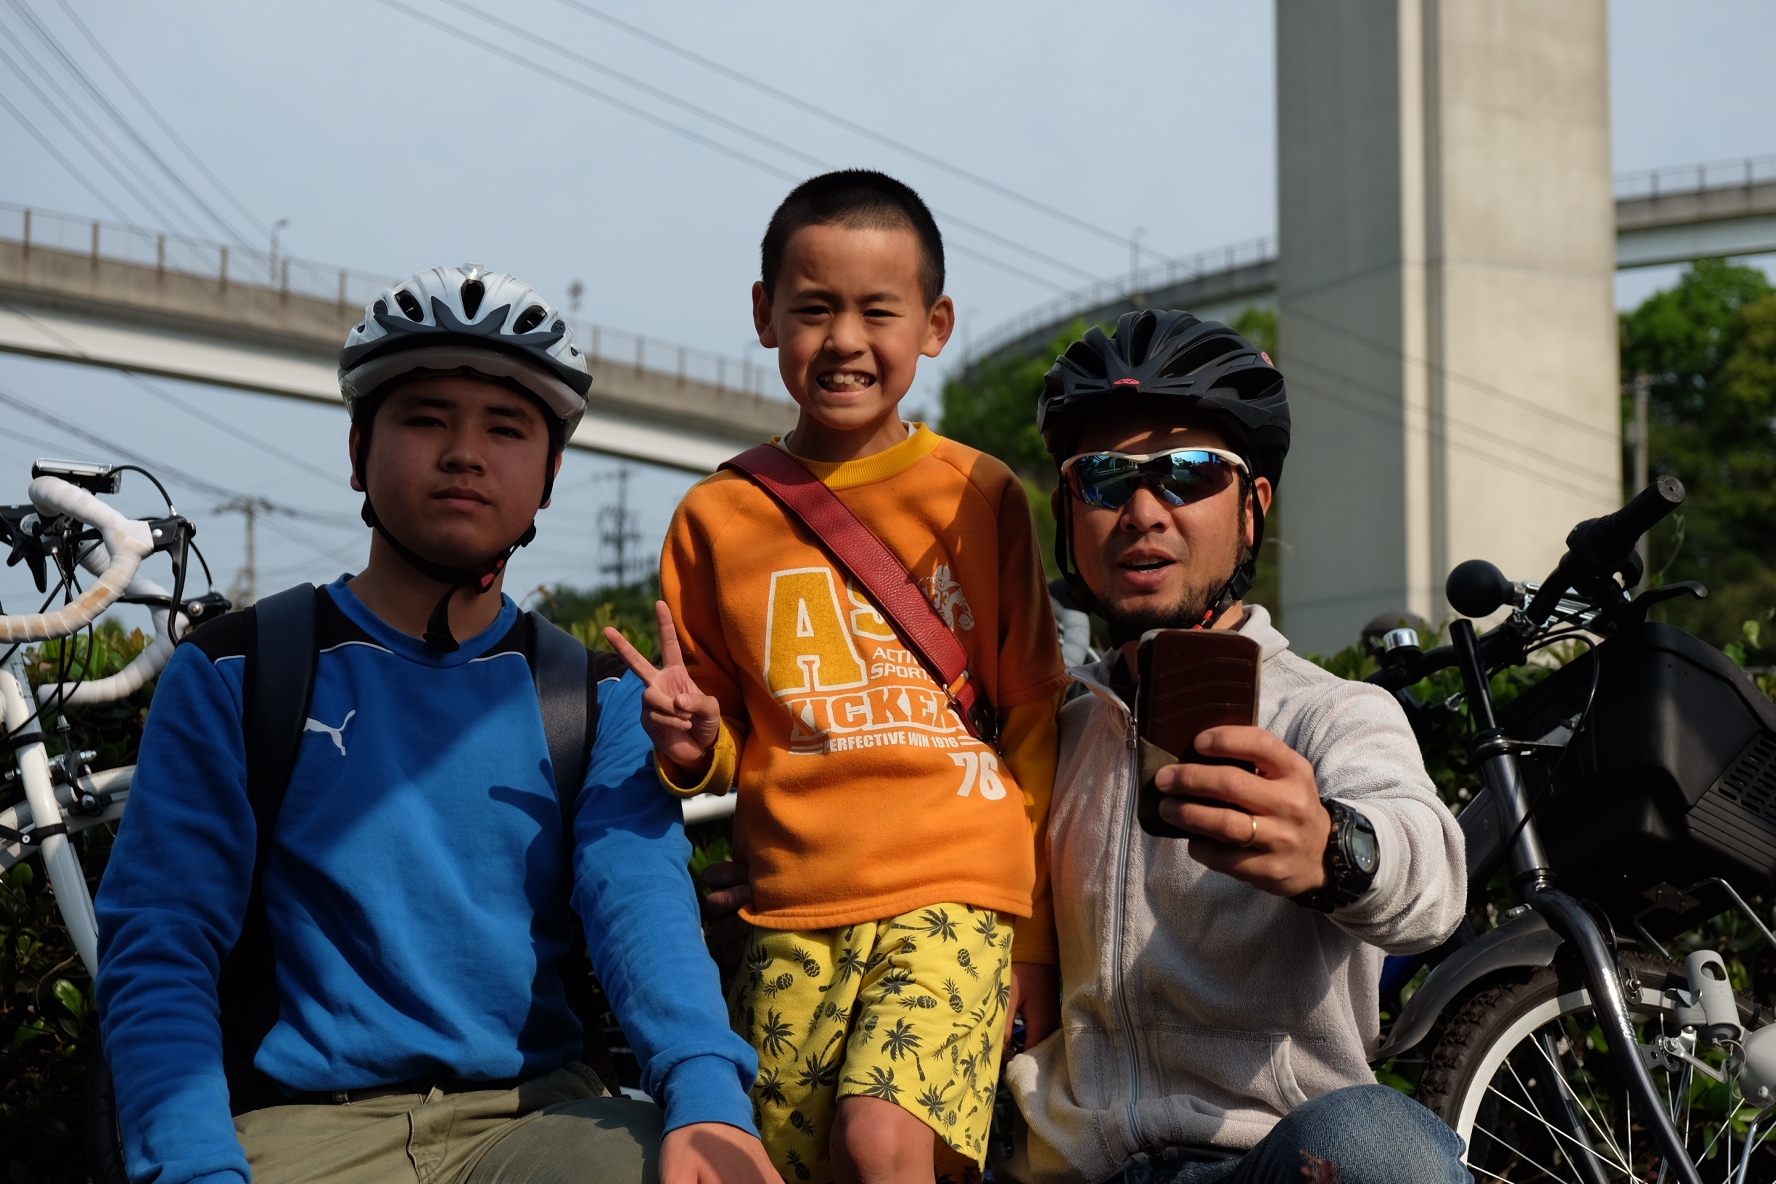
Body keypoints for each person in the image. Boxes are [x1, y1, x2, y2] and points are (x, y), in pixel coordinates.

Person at [94, 265, 776, 1184]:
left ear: (550, 475)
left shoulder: (592, 695)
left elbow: (641, 908)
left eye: (507, 428)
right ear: (356, 451)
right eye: (425, 419)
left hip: (539, 1118)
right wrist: (194, 1166)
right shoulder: (235, 670)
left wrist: (707, 1100)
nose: (466, 452)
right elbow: (161, 945)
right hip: (304, 1132)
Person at [606, 170, 1070, 1184]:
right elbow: (725, 729)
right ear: (766, 314)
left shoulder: (981, 494)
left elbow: (1031, 710)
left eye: (879, 311)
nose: (845, 340)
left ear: (935, 324)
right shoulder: (715, 518)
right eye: (813, 309)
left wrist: (1032, 938)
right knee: (792, 1161)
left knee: (881, 1141)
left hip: (956, 883)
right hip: (794, 902)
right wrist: (693, 746)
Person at [997, 310, 1471, 1184]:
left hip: (1262, 1162)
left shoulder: (1331, 714)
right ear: (1068, 510)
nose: (1143, 511)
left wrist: (1336, 847)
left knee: (1383, 1146)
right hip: (1065, 1166)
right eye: (1103, 478)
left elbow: (1432, 875)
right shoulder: (1044, 732)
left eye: (1186, 474)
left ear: (1252, 507)